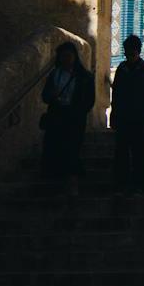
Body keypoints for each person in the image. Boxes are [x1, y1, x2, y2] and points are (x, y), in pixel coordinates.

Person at [39, 40, 96, 189]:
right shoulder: (55, 75)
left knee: (71, 152)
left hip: (74, 119)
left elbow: (89, 99)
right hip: (57, 117)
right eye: (64, 56)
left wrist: (79, 111)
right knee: (55, 151)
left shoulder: (84, 77)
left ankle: (71, 186)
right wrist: (53, 96)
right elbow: (45, 95)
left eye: (69, 56)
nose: (66, 59)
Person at [109, 34, 144, 194]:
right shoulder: (122, 70)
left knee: (140, 153)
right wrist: (114, 115)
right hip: (124, 118)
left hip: (140, 118)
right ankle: (122, 183)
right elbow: (116, 95)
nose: (129, 56)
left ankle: (140, 183)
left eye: (131, 52)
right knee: (122, 153)